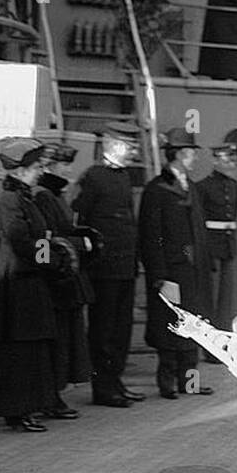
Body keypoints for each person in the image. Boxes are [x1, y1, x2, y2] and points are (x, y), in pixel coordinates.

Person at [0, 137, 62, 432]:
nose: (41, 172)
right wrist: (50, 259)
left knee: (30, 350)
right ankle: (18, 411)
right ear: (19, 171)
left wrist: (50, 254)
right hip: (17, 283)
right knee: (20, 352)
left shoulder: (23, 197)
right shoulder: (11, 200)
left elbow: (37, 237)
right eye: (36, 167)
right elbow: (21, 239)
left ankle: (26, 408)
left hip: (28, 281)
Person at [72, 127, 146, 408]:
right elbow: (79, 220)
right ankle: (103, 388)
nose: (134, 151)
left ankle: (115, 381)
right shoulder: (92, 177)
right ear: (113, 145)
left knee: (120, 330)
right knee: (103, 331)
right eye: (129, 146)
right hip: (103, 270)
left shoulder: (124, 177)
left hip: (125, 267)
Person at [138, 127, 214, 399]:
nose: (194, 158)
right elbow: (151, 236)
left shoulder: (190, 187)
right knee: (169, 326)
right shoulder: (156, 190)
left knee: (192, 325)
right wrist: (160, 275)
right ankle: (167, 382)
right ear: (180, 155)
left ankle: (189, 382)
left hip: (191, 270)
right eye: (191, 153)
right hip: (171, 271)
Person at [32, 142, 94, 415]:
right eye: (64, 165)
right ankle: (51, 398)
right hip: (58, 279)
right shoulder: (46, 196)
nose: (68, 170)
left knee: (66, 339)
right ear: (49, 167)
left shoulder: (55, 194)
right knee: (60, 340)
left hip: (67, 277)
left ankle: (54, 396)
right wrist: (83, 243)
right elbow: (53, 236)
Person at [194, 134, 237, 342]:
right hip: (210, 247)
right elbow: (200, 220)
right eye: (225, 158)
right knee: (209, 297)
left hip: (228, 245)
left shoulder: (234, 185)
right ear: (215, 160)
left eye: (232, 158)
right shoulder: (202, 186)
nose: (230, 162)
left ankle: (222, 337)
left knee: (225, 298)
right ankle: (208, 342)